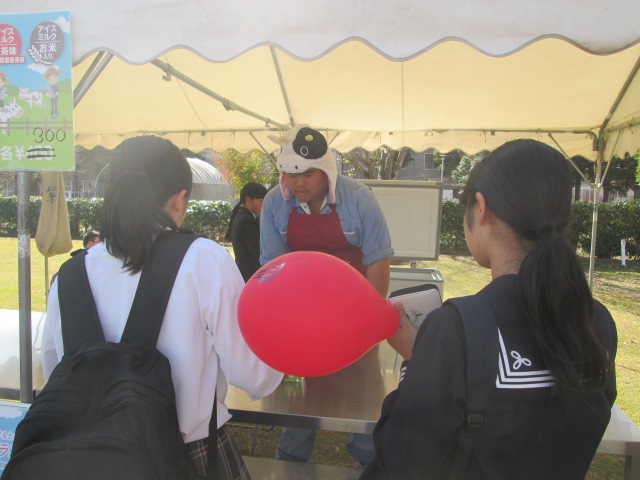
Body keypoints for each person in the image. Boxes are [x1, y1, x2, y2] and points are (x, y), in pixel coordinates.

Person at [361, 139, 617, 480]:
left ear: (481, 208)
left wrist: (416, 361)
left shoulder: (457, 328)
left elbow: (402, 459)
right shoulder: (598, 324)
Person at [41, 135, 283, 479]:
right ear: (180, 199)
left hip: (86, 459)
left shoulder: (69, 275)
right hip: (187, 456)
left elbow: (55, 370)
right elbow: (255, 375)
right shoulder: (204, 259)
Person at [260, 125, 394, 467]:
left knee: (363, 389)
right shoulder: (275, 203)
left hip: (356, 308)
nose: (298, 183)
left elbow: (378, 260)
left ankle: (368, 461)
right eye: (291, 175)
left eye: (307, 174)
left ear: (327, 172)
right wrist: (286, 321)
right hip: (303, 312)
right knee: (304, 390)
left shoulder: (359, 198)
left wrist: (370, 322)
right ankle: (290, 460)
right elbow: (274, 268)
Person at [224, 182, 268, 282]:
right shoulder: (246, 220)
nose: (263, 205)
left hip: (244, 273)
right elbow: (257, 251)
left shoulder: (241, 215)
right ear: (248, 200)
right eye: (261, 201)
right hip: (250, 275)